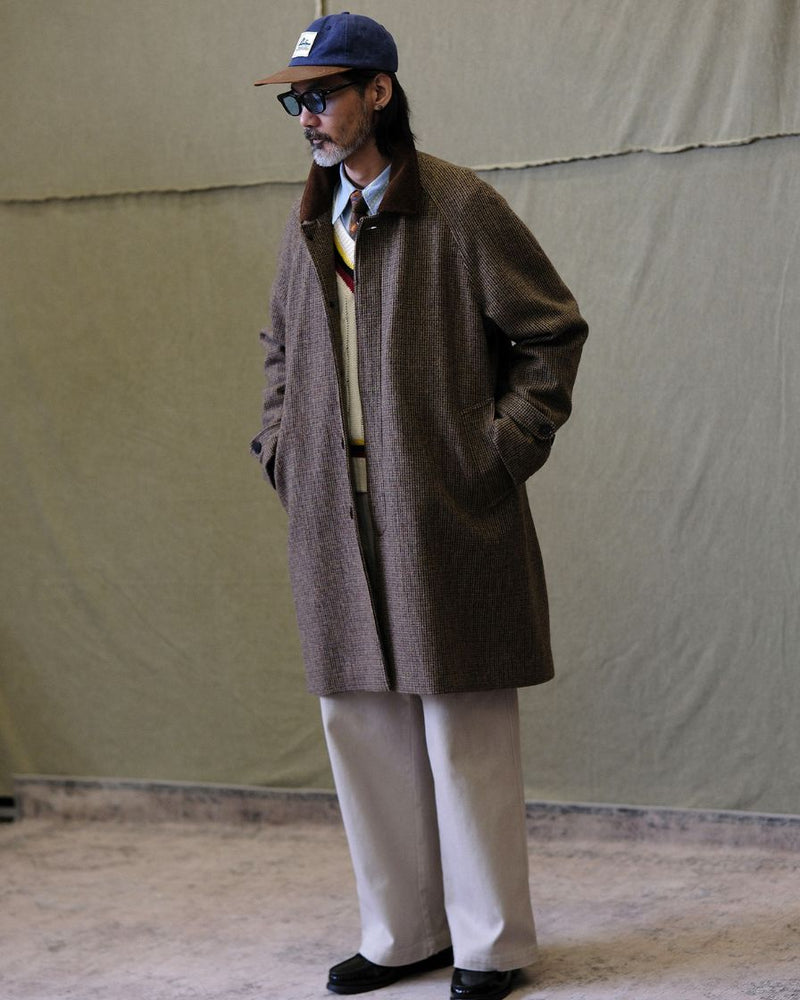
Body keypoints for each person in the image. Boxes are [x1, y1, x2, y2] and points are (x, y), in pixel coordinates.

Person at [250, 13, 587, 1000]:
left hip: (442, 502)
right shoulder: (314, 217)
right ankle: (402, 932)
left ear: (378, 92)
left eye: (320, 95)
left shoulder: (459, 208)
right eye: (295, 101)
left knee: (460, 719)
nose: (306, 116)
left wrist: (493, 454)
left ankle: (492, 944)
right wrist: (282, 447)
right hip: (332, 507)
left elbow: (548, 334)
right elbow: (278, 346)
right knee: (358, 719)